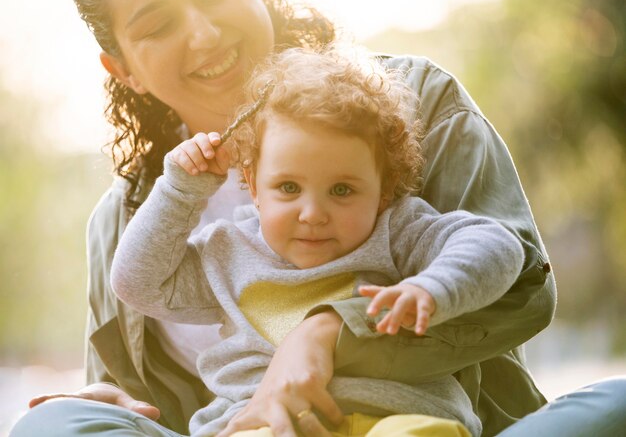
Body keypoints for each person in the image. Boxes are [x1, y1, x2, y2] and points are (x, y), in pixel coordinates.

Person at [9, 0, 626, 436]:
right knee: (51, 425)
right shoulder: (127, 221)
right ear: (122, 68)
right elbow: (137, 369)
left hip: (418, 424)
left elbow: (520, 288)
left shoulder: (404, 107)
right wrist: (105, 403)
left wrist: (328, 332)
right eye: (157, 24)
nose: (203, 34)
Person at [109, 46, 528, 437]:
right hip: (266, 422)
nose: (312, 214)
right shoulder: (227, 252)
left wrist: (432, 287)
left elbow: (499, 245)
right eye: (289, 187)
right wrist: (180, 190)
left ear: (383, 191)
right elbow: (136, 283)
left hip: (398, 418)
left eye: (342, 190)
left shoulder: (396, 230)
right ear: (253, 185)